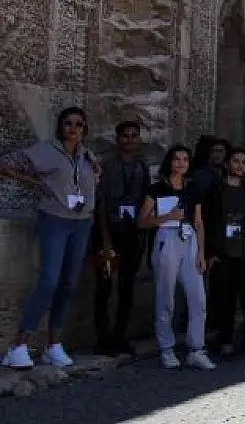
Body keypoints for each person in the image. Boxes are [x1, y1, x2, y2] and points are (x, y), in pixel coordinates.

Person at [1, 107, 99, 370]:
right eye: (68, 123)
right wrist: (32, 182)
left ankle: (53, 344)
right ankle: (18, 345)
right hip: (55, 219)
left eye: (79, 124)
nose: (73, 128)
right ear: (61, 126)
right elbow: (7, 165)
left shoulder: (86, 155)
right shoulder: (47, 151)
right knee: (49, 281)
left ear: (84, 129)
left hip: (81, 223)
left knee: (68, 283)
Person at [138, 145, 216, 370]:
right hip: (166, 237)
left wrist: (201, 253)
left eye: (185, 159)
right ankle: (167, 348)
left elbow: (199, 222)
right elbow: (142, 221)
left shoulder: (193, 190)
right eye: (176, 159)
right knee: (166, 298)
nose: (181, 163)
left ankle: (196, 348)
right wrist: (166, 217)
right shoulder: (157, 189)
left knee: (198, 297)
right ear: (169, 162)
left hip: (189, 238)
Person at [92, 120, 150, 356]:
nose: (129, 140)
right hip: (108, 233)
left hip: (132, 234)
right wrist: (105, 239)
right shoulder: (107, 165)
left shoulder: (142, 166)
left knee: (127, 288)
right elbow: (101, 203)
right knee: (104, 287)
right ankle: (102, 338)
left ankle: (120, 335)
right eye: (125, 136)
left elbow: (146, 198)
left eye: (134, 135)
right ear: (118, 139)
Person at [203, 147, 245, 359]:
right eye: (236, 161)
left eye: (244, 162)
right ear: (228, 164)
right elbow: (209, 223)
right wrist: (210, 253)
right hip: (222, 252)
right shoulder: (215, 190)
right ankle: (225, 341)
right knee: (224, 299)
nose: (240, 166)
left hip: (244, 251)